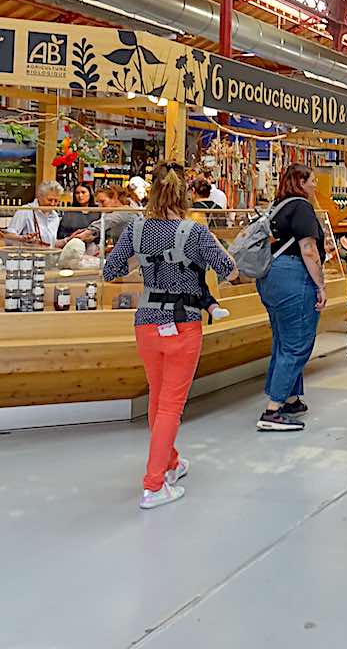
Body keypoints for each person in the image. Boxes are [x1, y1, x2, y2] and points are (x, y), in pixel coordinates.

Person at [102, 161, 236, 510]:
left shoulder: (135, 229)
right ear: (185, 194)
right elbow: (228, 270)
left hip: (146, 321)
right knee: (171, 407)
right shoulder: (195, 232)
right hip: (183, 323)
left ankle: (171, 463)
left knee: (158, 400)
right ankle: (154, 484)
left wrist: (144, 261)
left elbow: (109, 270)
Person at [255, 163, 326, 433]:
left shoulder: (278, 207)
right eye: (311, 180)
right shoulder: (301, 207)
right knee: (298, 343)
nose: (315, 185)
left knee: (283, 340)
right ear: (300, 182)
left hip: (271, 277)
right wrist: (321, 285)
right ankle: (273, 409)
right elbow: (309, 250)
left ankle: (291, 398)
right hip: (294, 278)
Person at [7, 180, 84, 248]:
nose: (53, 204)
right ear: (39, 196)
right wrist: (22, 238)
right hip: (27, 260)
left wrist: (69, 239)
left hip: (47, 260)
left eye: (56, 201)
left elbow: (52, 244)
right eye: (50, 200)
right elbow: (8, 236)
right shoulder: (26, 210)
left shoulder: (54, 216)